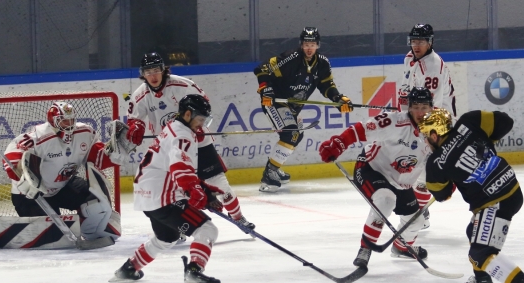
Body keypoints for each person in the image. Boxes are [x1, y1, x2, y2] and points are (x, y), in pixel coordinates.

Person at [418, 108, 524, 283]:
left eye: (427, 136)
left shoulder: (437, 162)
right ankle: (482, 282)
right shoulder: (470, 122)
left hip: (493, 203)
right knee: (473, 232)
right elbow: (506, 121)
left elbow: (442, 194)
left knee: (480, 252)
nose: (426, 141)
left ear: (435, 135)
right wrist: (486, 140)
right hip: (512, 189)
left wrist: (452, 177)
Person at [129, 52, 254, 230]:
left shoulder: (182, 85)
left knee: (220, 185)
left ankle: (238, 217)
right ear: (142, 74)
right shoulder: (140, 95)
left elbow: (204, 104)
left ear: (163, 70)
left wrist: (196, 125)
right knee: (179, 193)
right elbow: (134, 118)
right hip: (170, 149)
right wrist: (137, 126)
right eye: (148, 72)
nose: (153, 75)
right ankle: (178, 226)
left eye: (156, 70)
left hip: (199, 144)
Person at [112, 94, 222, 283]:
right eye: (200, 119)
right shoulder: (183, 135)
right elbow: (180, 166)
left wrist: (204, 190)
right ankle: (194, 272)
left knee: (166, 237)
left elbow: (175, 166)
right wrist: (195, 190)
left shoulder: (173, 127)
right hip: (162, 196)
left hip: (147, 196)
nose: (201, 125)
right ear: (188, 114)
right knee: (207, 230)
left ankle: (129, 269)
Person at [317, 87, 434, 268]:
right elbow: (361, 130)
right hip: (371, 169)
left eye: (424, 107)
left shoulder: (436, 131)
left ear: (431, 108)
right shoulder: (395, 122)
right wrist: (339, 143)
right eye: (416, 106)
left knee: (417, 220)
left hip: (401, 183)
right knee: (386, 200)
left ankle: (402, 247)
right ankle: (365, 249)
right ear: (409, 107)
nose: (420, 112)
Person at [2, 100, 134, 242]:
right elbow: (12, 154)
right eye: (64, 121)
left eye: (71, 120)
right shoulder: (38, 137)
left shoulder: (84, 132)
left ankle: (92, 232)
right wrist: (19, 173)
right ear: (53, 121)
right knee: (53, 235)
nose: (69, 124)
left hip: (63, 188)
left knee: (95, 200)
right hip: (31, 195)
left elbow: (96, 159)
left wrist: (115, 153)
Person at [254, 27, 353, 192]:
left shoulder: (322, 63)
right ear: (301, 44)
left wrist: (338, 98)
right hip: (274, 103)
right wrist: (265, 89)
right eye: (306, 44)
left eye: (312, 44)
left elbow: (326, 85)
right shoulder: (292, 57)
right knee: (291, 133)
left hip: (292, 107)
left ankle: (275, 168)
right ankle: (269, 174)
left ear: (318, 45)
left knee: (296, 135)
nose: (309, 48)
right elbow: (262, 68)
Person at [398, 24, 456, 229]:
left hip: (437, 122)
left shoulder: (433, 66)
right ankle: (420, 213)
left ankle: (417, 217)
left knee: (424, 172)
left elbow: (432, 106)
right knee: (410, 167)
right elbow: (405, 91)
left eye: (421, 41)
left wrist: (417, 125)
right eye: (413, 41)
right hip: (418, 117)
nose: (416, 45)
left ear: (430, 42)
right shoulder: (409, 58)